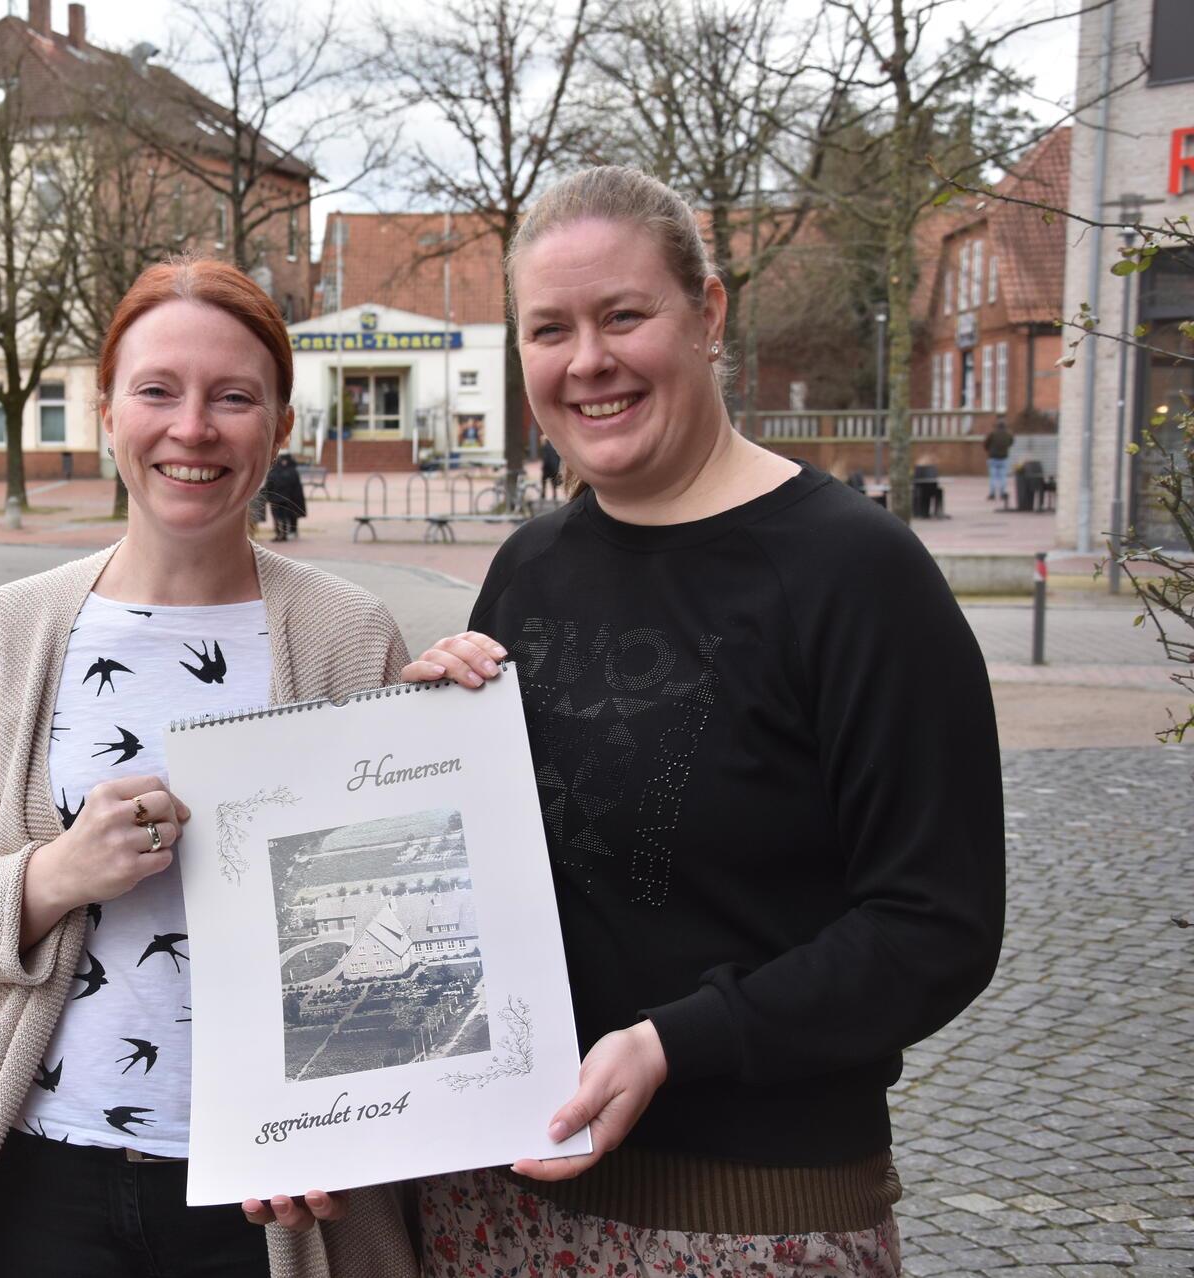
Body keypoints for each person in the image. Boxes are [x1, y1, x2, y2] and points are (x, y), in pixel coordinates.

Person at [402, 166, 1004, 1277]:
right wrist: (421, 749)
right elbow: (490, 887)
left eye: (624, 315)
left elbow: (937, 925)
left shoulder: (855, 574)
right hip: (491, 1202)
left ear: (709, 314)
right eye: (550, 329)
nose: (588, 361)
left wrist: (679, 1042)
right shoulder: (530, 570)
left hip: (749, 1215)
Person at [0, 257, 421, 1278]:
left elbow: (399, 931)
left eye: (233, 397)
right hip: (46, 1174)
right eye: (158, 390)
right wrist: (56, 875)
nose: (193, 428)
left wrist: (339, 1125)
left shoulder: (347, 634)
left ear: (281, 426)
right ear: (107, 410)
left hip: (264, 1197)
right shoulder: (12, 631)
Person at [262, 451, 306, 540]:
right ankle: (281, 533)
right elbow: (269, 485)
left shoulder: (284, 471)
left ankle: (283, 533)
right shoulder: (287, 470)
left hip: (284, 499)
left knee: (283, 516)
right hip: (281, 499)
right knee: (279, 516)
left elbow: (269, 485)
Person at [985, 416, 1015, 501]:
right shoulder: (1008, 434)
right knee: (1003, 476)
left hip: (993, 458)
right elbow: (1011, 442)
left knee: (993, 476)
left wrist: (989, 450)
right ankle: (1002, 493)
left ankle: (992, 493)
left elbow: (986, 443)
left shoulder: (992, 434)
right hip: (1004, 457)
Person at [539, 436, 562, 500]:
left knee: (544, 480)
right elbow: (558, 457)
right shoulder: (555, 446)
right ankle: (554, 494)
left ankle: (543, 493)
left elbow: (546, 458)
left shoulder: (546, 446)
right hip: (554, 467)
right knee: (553, 481)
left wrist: (543, 466)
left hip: (547, 467)